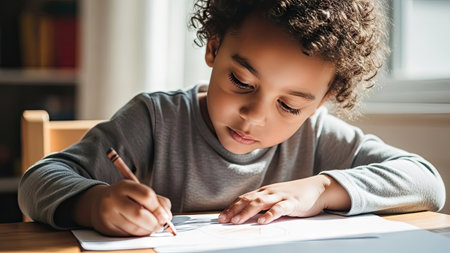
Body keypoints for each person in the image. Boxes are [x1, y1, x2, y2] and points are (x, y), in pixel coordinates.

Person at [18, 0, 445, 237]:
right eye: (241, 81)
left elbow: (426, 182)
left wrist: (320, 189)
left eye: (290, 106)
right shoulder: (155, 119)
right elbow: (39, 178)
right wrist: (91, 203)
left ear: (322, 100)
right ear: (214, 46)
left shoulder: (316, 136)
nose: (255, 117)